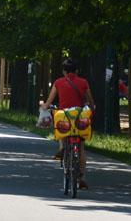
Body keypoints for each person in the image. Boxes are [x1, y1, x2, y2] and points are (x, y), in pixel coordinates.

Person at [40, 58, 96, 190]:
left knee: (60, 127)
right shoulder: (83, 82)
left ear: (64, 71)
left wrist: (44, 107)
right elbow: (90, 100)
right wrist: (91, 106)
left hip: (64, 115)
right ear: (76, 70)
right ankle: (82, 177)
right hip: (79, 116)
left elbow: (49, 101)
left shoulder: (58, 82)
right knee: (81, 147)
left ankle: (62, 147)